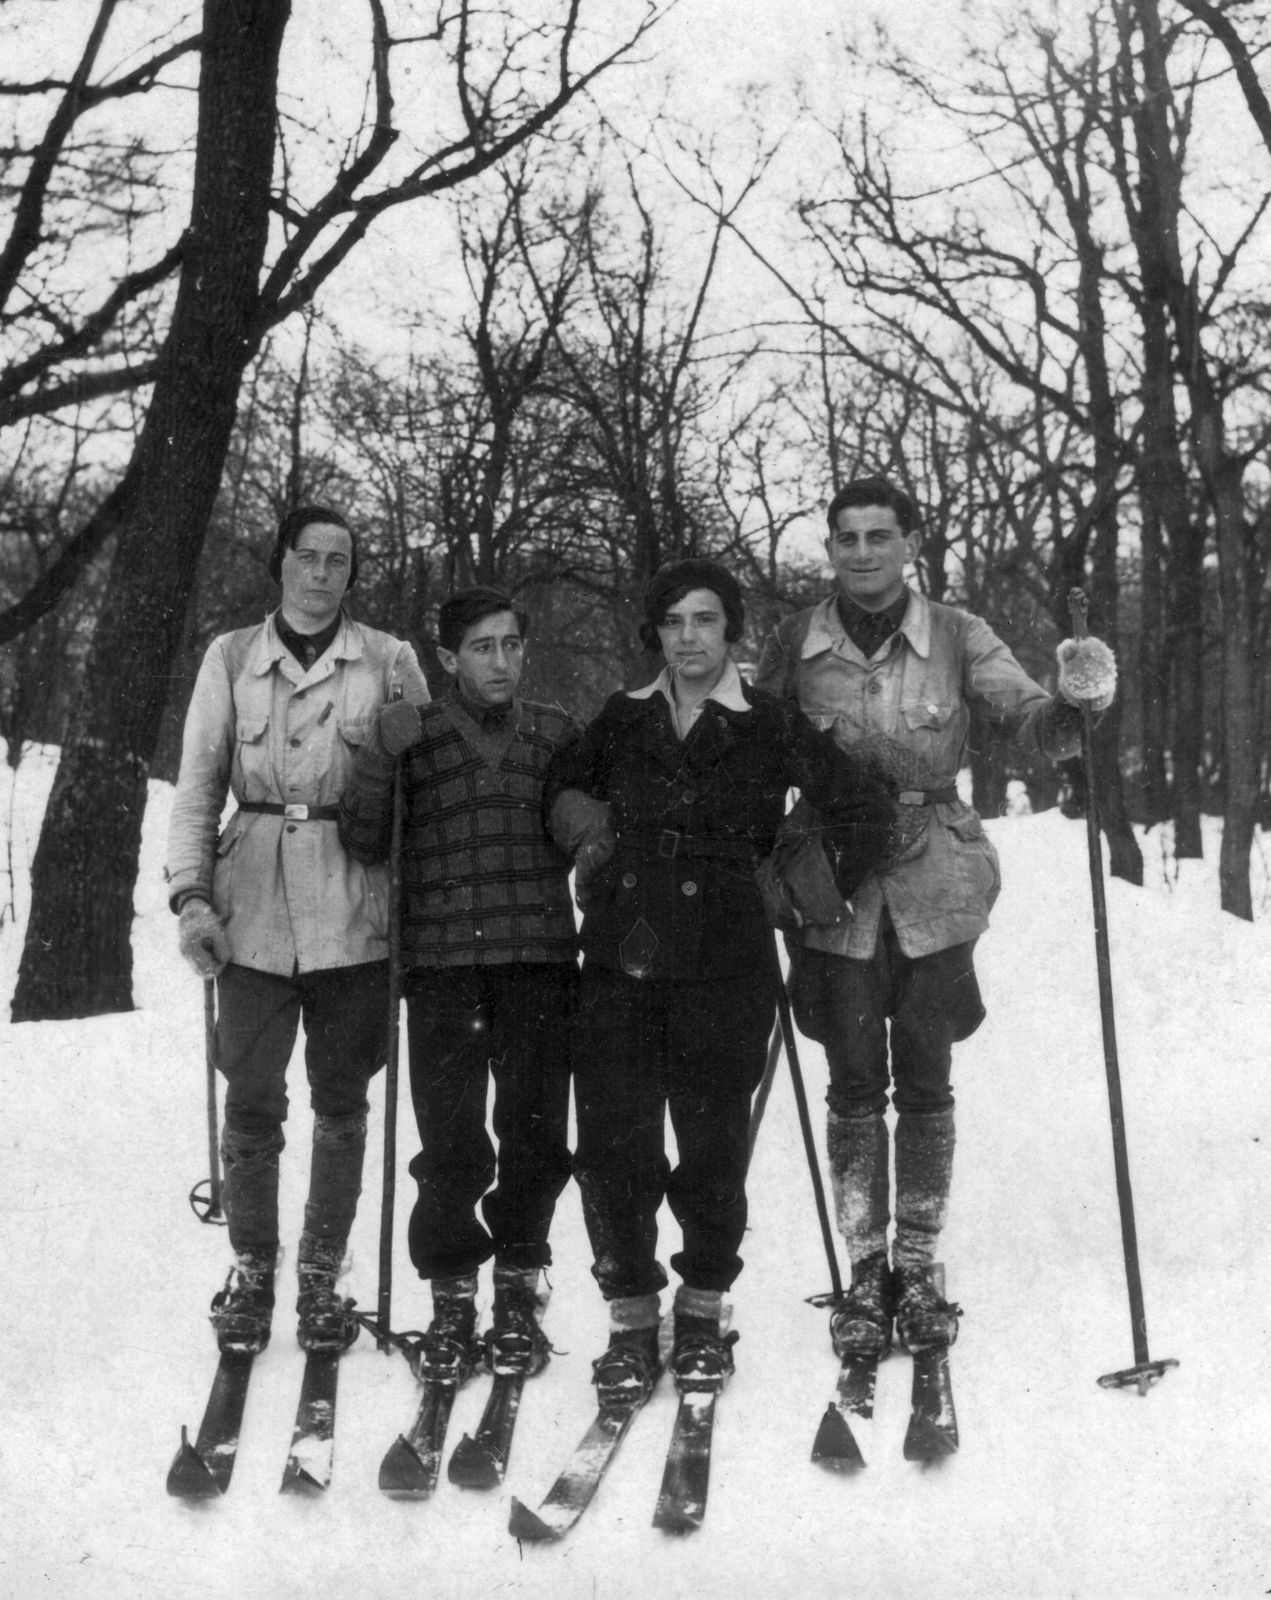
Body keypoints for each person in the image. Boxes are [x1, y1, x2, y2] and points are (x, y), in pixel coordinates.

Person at [753, 475, 1116, 1359]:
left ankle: (915, 1265)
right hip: (833, 883)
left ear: (909, 544)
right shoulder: (795, 638)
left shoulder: (957, 633)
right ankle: (862, 1265)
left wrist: (1079, 701)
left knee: (924, 1075)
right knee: (848, 1081)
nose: (862, 553)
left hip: (935, 881)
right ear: (829, 547)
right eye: (846, 538)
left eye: (880, 536)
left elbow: (1030, 720)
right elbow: (750, 740)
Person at [544, 558, 895, 1404]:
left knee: (711, 1147)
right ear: (655, 634)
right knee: (616, 1144)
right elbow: (560, 787)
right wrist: (585, 829)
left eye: (705, 621)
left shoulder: (767, 720)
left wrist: (803, 886)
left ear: (730, 632)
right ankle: (631, 1318)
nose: (689, 638)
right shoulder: (622, 717)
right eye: (673, 622)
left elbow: (863, 807)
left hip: (727, 960)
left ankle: (701, 1312)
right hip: (623, 955)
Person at [167, 505, 428, 1356]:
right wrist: (190, 898)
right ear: (281, 563)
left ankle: (321, 1272)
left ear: (354, 573)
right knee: (249, 1091)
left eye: (338, 560)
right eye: (307, 557)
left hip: (355, 906)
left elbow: (422, 797)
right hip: (252, 907)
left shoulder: (389, 661)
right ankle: (251, 1267)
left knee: (343, 1093)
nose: (321, 574)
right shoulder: (233, 656)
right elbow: (199, 787)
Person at [338, 588, 583, 1386]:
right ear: (447, 658)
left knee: (535, 1131)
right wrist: (379, 756)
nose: (501, 662)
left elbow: (589, 823)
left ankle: (517, 1281)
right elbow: (366, 840)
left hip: (539, 962)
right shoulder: (417, 736)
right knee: (449, 1141)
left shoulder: (554, 732)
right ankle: (450, 1294)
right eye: (482, 647)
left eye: (512, 645)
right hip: (442, 969)